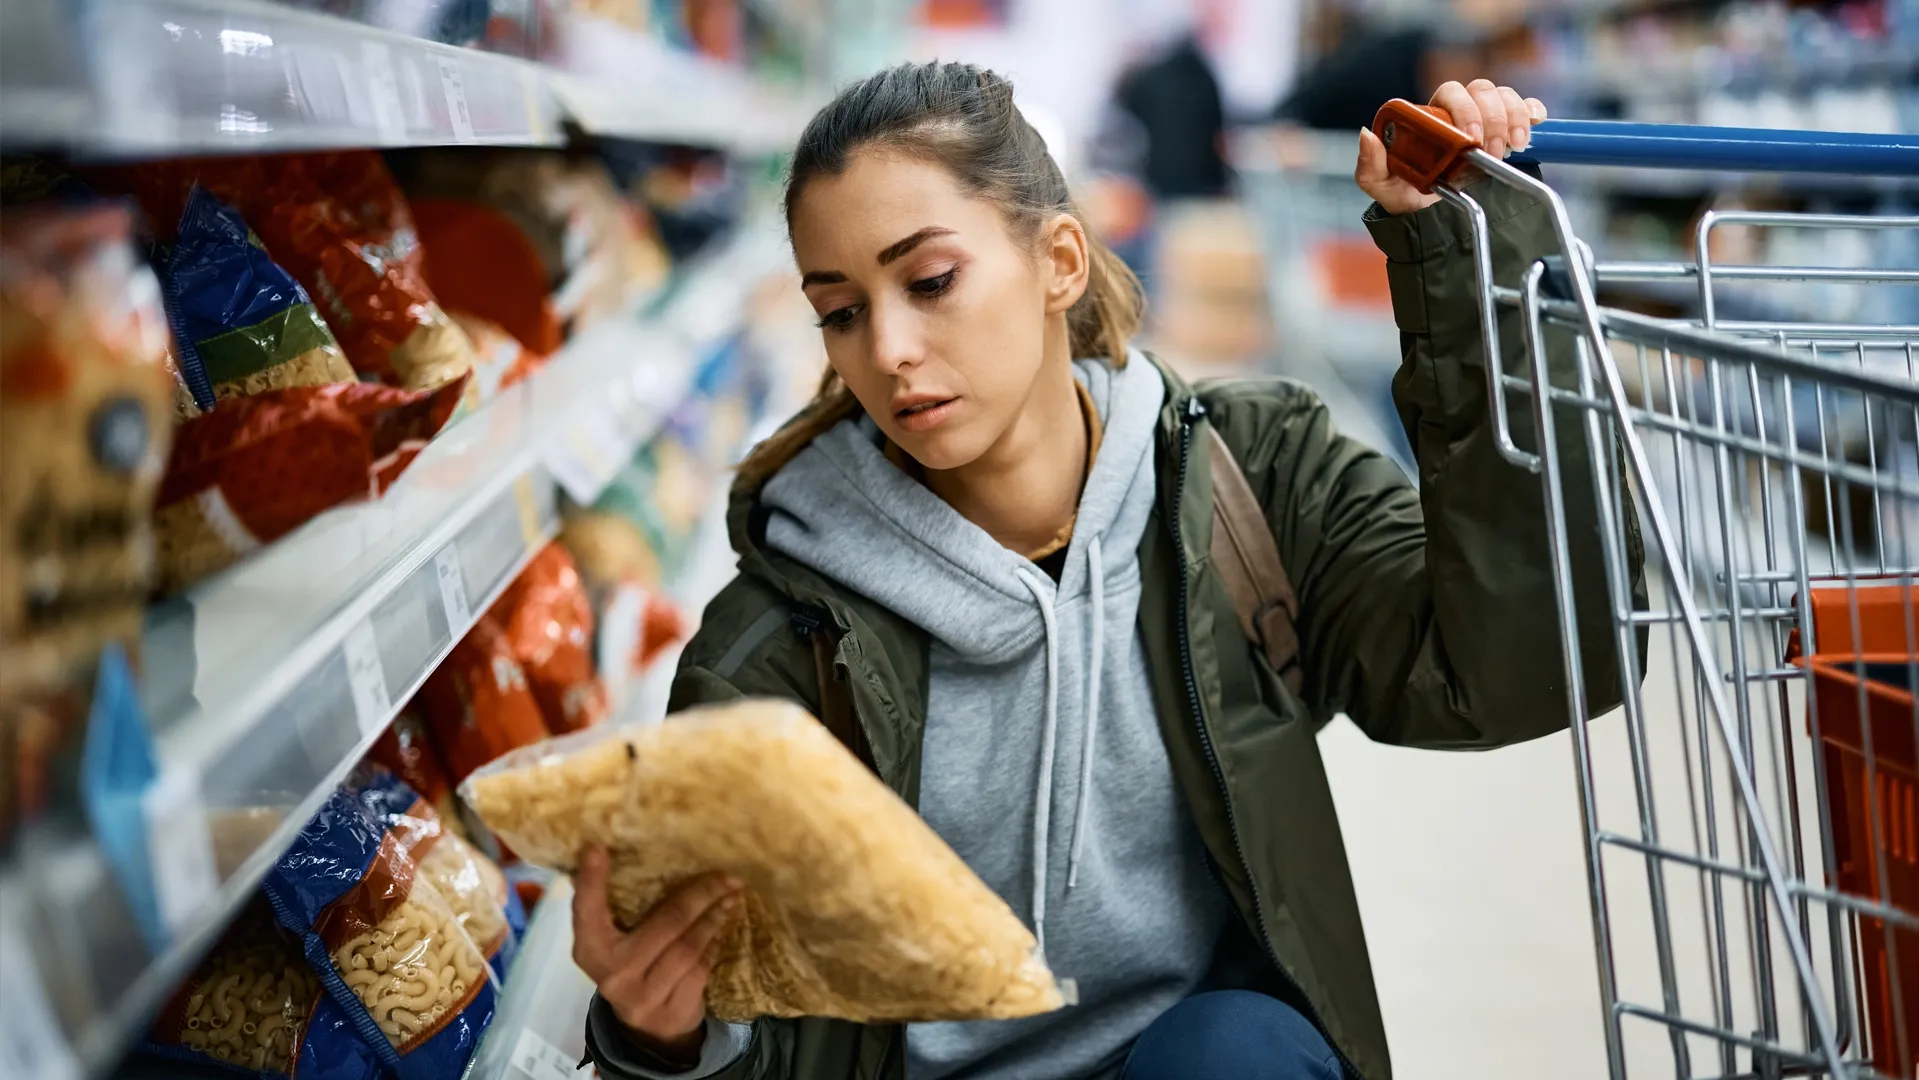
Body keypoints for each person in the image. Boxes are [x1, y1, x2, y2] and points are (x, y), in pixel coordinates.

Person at [572, 62, 1643, 1080]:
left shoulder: (1246, 482)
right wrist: (659, 1040)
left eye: (930, 280)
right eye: (840, 310)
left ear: (1060, 262)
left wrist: (1470, 268)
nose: (887, 348)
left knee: (1236, 1055)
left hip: (1182, 1060)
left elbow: (1523, 665)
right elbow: (742, 1033)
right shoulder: (773, 654)